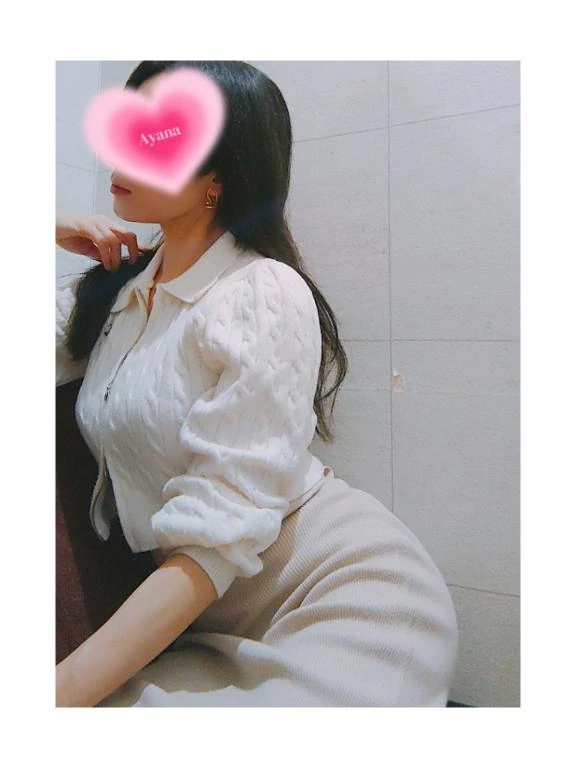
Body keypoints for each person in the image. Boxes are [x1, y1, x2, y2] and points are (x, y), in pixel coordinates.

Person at [55, 60, 459, 707]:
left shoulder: (262, 292)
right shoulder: (112, 293)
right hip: (196, 618)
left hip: (338, 593)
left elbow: (218, 534)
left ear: (219, 175)